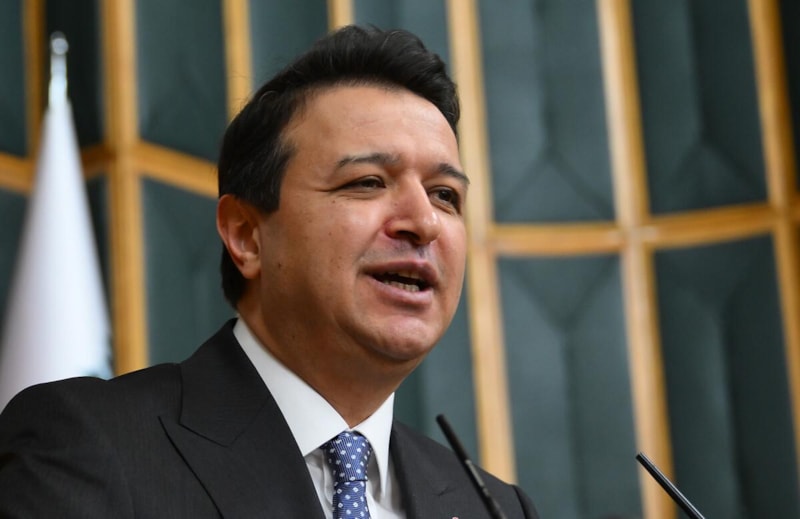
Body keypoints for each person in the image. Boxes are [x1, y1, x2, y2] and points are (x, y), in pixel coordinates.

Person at [0, 25, 539, 518]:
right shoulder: (93, 444)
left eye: (445, 195)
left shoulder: (494, 506)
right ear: (246, 235)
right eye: (368, 182)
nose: (423, 222)